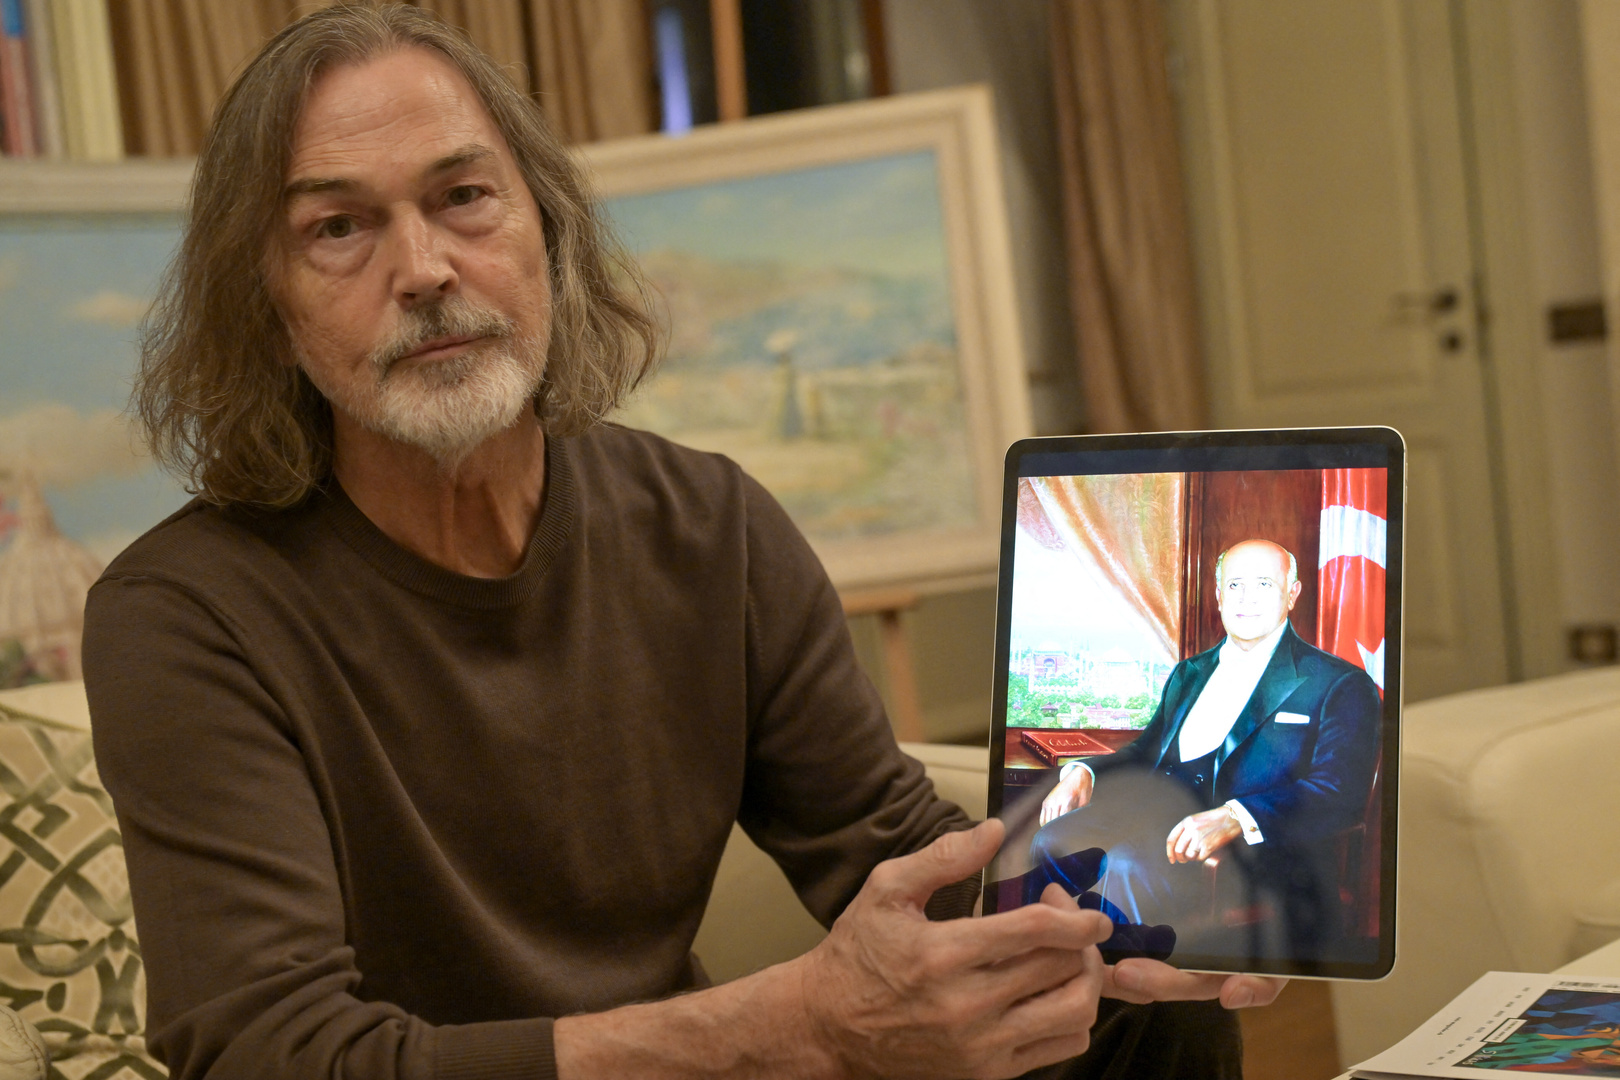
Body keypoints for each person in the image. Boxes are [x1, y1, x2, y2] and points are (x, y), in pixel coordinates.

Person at [79, 6, 1280, 1078]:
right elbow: (269, 1053)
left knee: (1133, 1013)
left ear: (548, 230)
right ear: (269, 304)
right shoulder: (185, 614)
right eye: (339, 227)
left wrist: (1132, 908)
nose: (425, 269)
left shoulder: (709, 524)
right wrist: (798, 1026)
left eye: (463, 197)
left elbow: (891, 852)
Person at [1029, 539, 1382, 958]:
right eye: (1235, 585)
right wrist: (1082, 772)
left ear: (1292, 594)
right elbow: (1143, 753)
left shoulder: (1341, 684)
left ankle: (1120, 983)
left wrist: (1236, 817)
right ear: (1218, 596)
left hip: (1262, 856)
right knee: (1054, 839)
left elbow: (1339, 793)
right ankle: (1050, 962)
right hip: (1157, 822)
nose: (1247, 598)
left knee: (1127, 864)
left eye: (1264, 584)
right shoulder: (1189, 673)